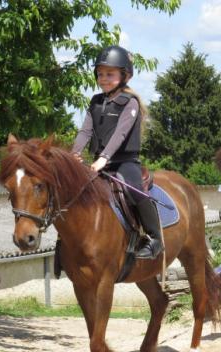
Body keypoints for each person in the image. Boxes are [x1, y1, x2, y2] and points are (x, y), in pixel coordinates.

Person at [72, 45, 163, 259]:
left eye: (109, 74)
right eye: (100, 74)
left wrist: (104, 158)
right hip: (98, 163)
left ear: (125, 76)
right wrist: (74, 154)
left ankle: (155, 238)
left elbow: (120, 134)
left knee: (133, 190)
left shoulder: (129, 103)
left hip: (124, 162)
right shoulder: (95, 102)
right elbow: (86, 130)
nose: (103, 78)